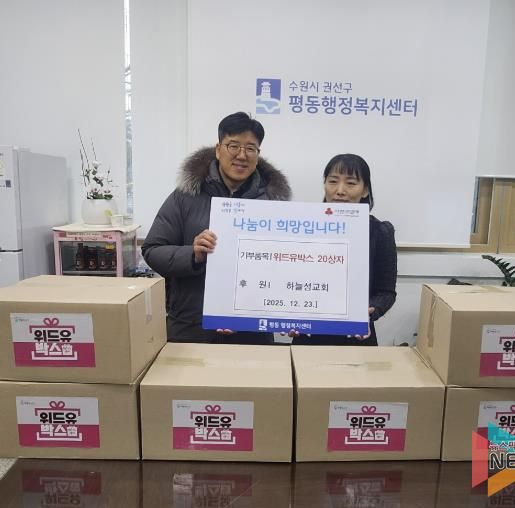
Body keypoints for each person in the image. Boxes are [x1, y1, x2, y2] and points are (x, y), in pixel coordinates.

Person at [141, 112, 291, 343]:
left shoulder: (273, 204)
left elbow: (286, 265)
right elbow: (152, 249)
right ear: (218, 149)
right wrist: (192, 255)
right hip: (192, 326)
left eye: (250, 148)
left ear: (258, 154)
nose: (242, 155)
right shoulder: (186, 195)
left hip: (252, 331)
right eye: (234, 146)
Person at [293, 154, 397, 346]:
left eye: (350, 183)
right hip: (308, 336)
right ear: (324, 184)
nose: (340, 191)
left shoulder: (380, 232)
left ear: (365, 190)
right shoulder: (302, 228)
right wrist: (286, 313)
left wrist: (371, 310)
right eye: (333, 181)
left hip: (356, 338)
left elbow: (386, 292)